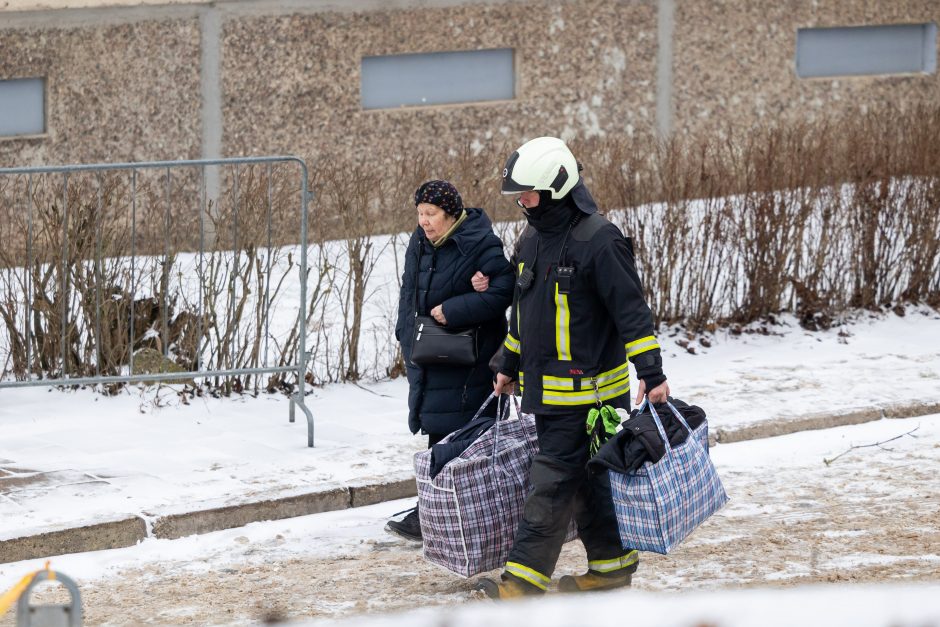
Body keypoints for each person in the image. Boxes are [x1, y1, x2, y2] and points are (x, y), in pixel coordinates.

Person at [475, 137, 670, 598]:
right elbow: (524, 316)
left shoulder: (599, 240)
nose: (521, 202)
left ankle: (520, 585)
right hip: (548, 393)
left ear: (556, 188)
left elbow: (631, 314)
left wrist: (652, 372)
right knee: (588, 480)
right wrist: (508, 362)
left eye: (528, 193)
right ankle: (612, 567)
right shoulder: (531, 240)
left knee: (551, 485)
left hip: (591, 398)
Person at [387, 179, 514, 542]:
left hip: (468, 358)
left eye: (431, 214)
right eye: (420, 213)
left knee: (461, 434)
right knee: (439, 430)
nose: (424, 221)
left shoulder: (479, 241)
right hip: (430, 353)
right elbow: (408, 290)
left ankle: (433, 514)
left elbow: (505, 289)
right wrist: (404, 332)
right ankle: (440, 511)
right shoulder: (420, 241)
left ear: (451, 214)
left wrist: (455, 310)